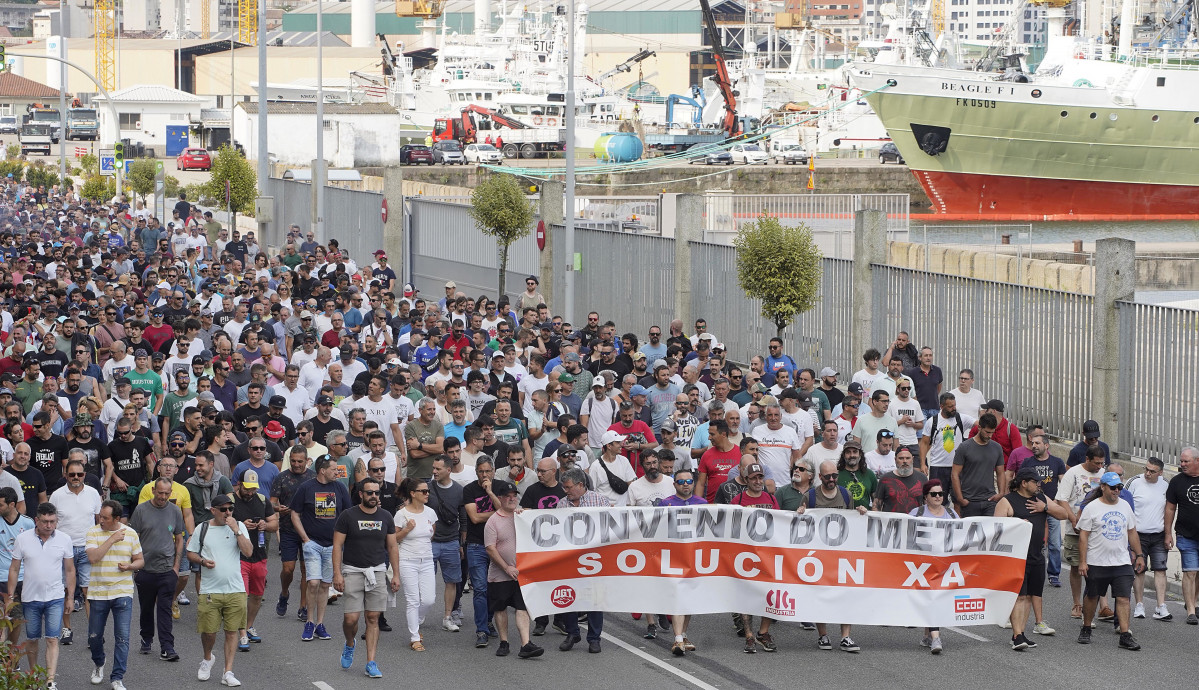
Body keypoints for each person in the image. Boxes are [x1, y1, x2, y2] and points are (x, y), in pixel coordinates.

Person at [996, 467, 1069, 650]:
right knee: (1019, 597)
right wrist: (1016, 524)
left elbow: (1063, 514)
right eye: (1035, 482)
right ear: (1023, 483)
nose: (1039, 485)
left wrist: (1044, 508)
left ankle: (1020, 633)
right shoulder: (1007, 501)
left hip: (1037, 555)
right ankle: (1017, 635)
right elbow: (996, 529)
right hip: (1016, 557)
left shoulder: (1042, 498)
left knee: (1029, 596)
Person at [332, 477, 399, 678]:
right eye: (369, 493)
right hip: (352, 570)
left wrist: (396, 574)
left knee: (372, 618)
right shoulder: (347, 516)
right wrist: (337, 573)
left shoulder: (386, 516)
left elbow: (393, 546)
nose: (374, 496)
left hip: (377, 571)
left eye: (376, 493)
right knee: (351, 619)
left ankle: (371, 662)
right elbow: (337, 546)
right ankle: (350, 643)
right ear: (361, 494)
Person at [187, 493, 254, 686]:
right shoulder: (203, 528)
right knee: (209, 632)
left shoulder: (239, 527)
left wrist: (236, 530)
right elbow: (191, 552)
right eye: (223, 509)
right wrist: (202, 561)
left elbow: (248, 552)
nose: (227, 513)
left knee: (232, 631)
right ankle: (208, 658)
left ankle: (228, 672)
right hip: (210, 589)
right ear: (213, 510)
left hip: (235, 589)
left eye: (230, 509)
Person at [7, 502, 75, 690]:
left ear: (56, 520)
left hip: (55, 597)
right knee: (32, 639)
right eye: (45, 521)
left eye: (52, 521)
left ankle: (50, 680)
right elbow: (14, 568)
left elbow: (70, 570)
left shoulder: (64, 539)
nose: (49, 525)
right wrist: (10, 597)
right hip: (30, 598)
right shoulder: (22, 539)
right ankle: (34, 677)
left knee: (52, 638)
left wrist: (70, 597)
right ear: (36, 520)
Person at [1076, 471, 1143, 651]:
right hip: (1096, 562)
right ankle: (1086, 627)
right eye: (1113, 487)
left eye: (1119, 487)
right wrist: (1083, 562)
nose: (1117, 491)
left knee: (1123, 598)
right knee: (1092, 595)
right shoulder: (1092, 508)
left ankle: (1125, 634)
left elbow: (1132, 532)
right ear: (1103, 487)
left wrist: (1139, 554)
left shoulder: (1125, 506)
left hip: (1121, 561)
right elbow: (1083, 536)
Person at [291, 454, 352, 642]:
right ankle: (309, 621)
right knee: (314, 583)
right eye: (334, 469)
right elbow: (295, 513)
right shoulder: (306, 488)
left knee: (326, 584)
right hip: (313, 544)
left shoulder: (340, 488)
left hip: (333, 545)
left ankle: (319, 623)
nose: (337, 472)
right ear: (322, 471)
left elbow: (347, 514)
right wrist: (305, 539)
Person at [84, 499, 144, 690]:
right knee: (94, 636)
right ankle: (99, 662)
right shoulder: (93, 532)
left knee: (123, 638)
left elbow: (140, 560)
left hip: (123, 591)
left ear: (117, 518)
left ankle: (117, 677)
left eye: (105, 517)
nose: (100, 520)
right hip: (98, 592)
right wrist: (111, 538)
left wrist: (131, 566)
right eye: (100, 516)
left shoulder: (131, 534)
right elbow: (93, 558)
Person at [481, 478, 542, 659]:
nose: (511, 499)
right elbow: (490, 549)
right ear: (499, 498)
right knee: (500, 608)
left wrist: (524, 514)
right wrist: (506, 567)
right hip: (500, 574)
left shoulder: (522, 516)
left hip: (521, 573)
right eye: (507, 496)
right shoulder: (492, 521)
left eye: (514, 495)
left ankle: (525, 644)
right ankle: (504, 642)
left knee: (522, 607)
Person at [129, 477, 185, 662]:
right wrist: (135, 566)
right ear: (153, 490)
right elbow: (133, 537)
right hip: (145, 570)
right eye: (160, 493)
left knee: (164, 609)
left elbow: (179, 538)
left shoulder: (175, 510)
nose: (163, 497)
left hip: (167, 570)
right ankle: (146, 638)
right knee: (146, 608)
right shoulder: (141, 510)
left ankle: (167, 647)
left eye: (166, 494)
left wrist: (176, 566)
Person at [49, 458, 103, 645]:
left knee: (89, 592)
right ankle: (66, 629)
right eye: (71, 474)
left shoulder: (94, 493)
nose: (76, 477)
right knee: (66, 591)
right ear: (65, 475)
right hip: (64, 551)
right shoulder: (56, 495)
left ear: (85, 475)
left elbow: (99, 521)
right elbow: (51, 523)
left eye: (79, 474)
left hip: (88, 548)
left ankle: (94, 633)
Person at [557, 467, 610, 653]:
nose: (566, 491)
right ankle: (572, 632)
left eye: (568, 487)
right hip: (570, 559)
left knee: (595, 598)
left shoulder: (600, 501)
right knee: (569, 596)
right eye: (564, 488)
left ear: (581, 485)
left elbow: (609, 528)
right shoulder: (561, 505)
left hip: (594, 558)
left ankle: (594, 638)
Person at [1057, 445, 1106, 620]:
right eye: (1096, 463)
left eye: (1102, 463)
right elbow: (1062, 499)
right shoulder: (1073, 473)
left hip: (1097, 529)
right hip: (1075, 528)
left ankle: (1100, 604)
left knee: (1098, 567)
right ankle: (1077, 603)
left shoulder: (1103, 474)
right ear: (1087, 459)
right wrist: (1072, 518)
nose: (1099, 467)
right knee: (1077, 566)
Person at [908, 479, 957, 653]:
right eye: (933, 494)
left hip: (944, 564)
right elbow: (905, 532)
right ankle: (936, 637)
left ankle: (928, 635)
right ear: (925, 497)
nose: (938, 497)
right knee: (931, 596)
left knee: (936, 598)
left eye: (940, 494)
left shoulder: (951, 514)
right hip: (922, 565)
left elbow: (962, 534)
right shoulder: (917, 512)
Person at [232, 468, 277, 650]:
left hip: (259, 555)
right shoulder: (231, 501)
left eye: (253, 489)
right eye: (247, 489)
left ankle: (249, 626)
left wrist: (265, 525)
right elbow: (220, 523)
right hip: (238, 555)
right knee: (242, 595)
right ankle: (241, 632)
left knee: (257, 596)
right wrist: (240, 525)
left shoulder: (262, 500)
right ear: (240, 485)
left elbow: (275, 523)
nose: (250, 492)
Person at [1018, 433, 1068, 588]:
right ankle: (1028, 571)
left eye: (1037, 443)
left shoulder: (1057, 462)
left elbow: (1064, 484)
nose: (1034, 446)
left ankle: (1053, 574)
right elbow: (1020, 482)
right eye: (1032, 443)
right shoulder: (1027, 462)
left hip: (1051, 506)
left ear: (1046, 445)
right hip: (1032, 507)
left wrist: (1056, 502)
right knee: (1033, 541)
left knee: (1054, 543)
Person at [270, 445, 314, 621]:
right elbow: (271, 502)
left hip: (308, 530)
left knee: (306, 570)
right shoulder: (282, 478)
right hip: (287, 529)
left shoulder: (313, 478)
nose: (296, 464)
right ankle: (284, 592)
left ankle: (303, 606)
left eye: (300, 461)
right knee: (288, 569)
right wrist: (278, 508)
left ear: (306, 461)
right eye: (293, 461)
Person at [395, 477, 437, 651]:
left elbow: (431, 534)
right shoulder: (401, 514)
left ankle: (417, 621)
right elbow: (393, 539)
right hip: (407, 560)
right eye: (424, 491)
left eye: (428, 491)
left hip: (427, 560)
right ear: (413, 493)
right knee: (412, 600)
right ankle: (414, 637)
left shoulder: (430, 512)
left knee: (429, 600)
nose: (427, 494)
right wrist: (407, 530)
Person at [1126, 457, 1169, 620]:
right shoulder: (1134, 482)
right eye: (1146, 469)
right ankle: (1139, 605)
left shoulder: (1165, 484)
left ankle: (1161, 606)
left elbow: (1169, 509)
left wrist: (1167, 533)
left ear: (1160, 472)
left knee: (1161, 569)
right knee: (1139, 569)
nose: (1147, 473)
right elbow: (1124, 504)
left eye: (1152, 471)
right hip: (1138, 535)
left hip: (1158, 534)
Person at [426, 456, 465, 631]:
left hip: (451, 541)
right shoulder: (426, 488)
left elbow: (463, 518)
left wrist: (461, 543)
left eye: (438, 469)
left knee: (452, 581)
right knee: (425, 581)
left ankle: (447, 617)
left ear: (448, 470)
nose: (434, 471)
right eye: (433, 468)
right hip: (429, 542)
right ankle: (419, 612)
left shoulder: (459, 490)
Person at [1164, 445, 1199, 625]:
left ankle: (1191, 601)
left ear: (1197, 461)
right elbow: (1170, 508)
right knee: (1190, 571)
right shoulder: (1177, 482)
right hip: (1186, 535)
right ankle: (1191, 611)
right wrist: (1168, 533)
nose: (1182, 464)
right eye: (1181, 461)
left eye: (1186, 461)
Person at [951, 412, 1006, 517]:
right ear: (979, 427)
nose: (990, 435)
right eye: (987, 432)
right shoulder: (964, 447)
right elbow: (955, 474)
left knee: (989, 532)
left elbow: (1001, 473)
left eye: (992, 432)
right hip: (969, 501)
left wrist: (1001, 493)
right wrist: (960, 499)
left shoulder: (997, 448)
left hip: (990, 500)